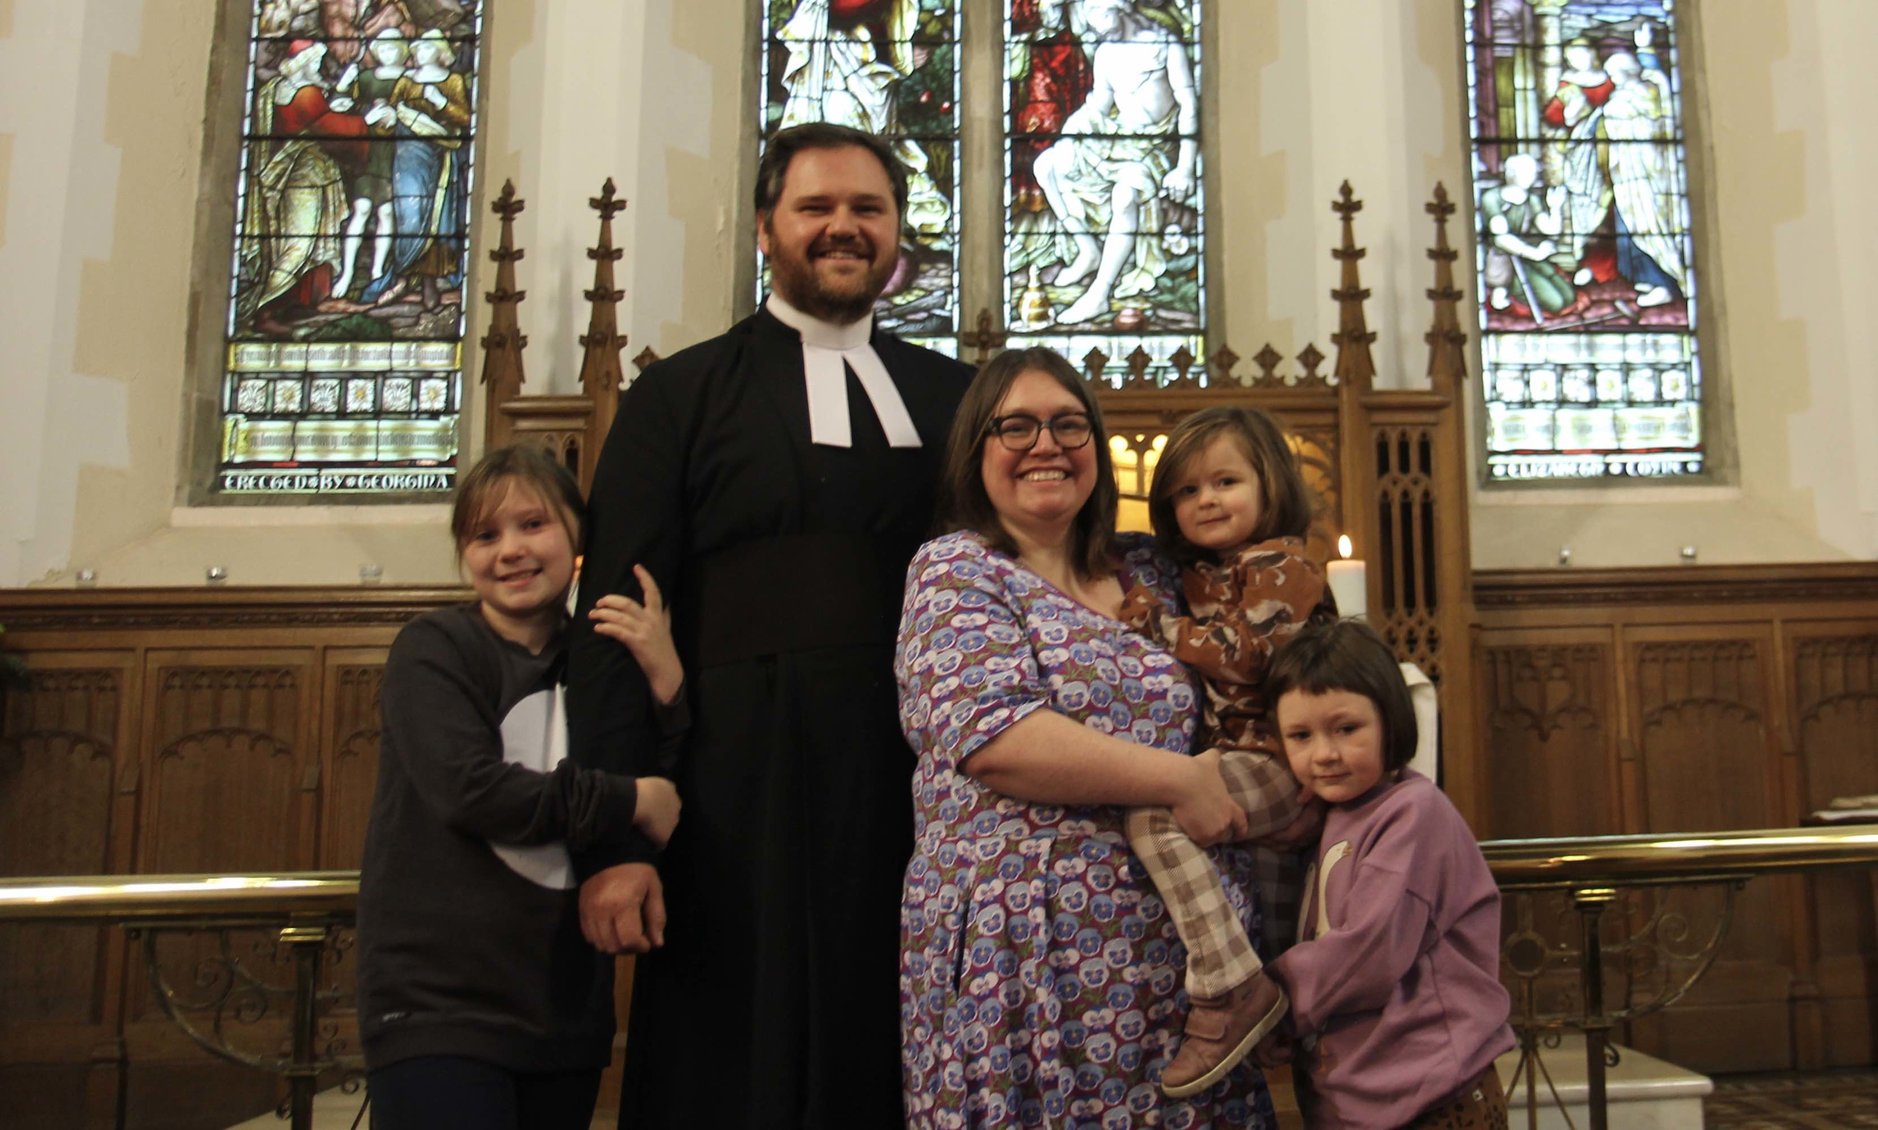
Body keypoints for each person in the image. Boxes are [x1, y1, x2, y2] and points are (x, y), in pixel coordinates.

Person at [565, 122, 974, 1129]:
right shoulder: (681, 394)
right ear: (765, 231)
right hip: (730, 788)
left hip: (915, 785)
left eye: (868, 209)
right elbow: (613, 618)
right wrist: (617, 838)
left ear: (899, 237)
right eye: (816, 207)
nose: (843, 227)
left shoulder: (955, 396)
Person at [897, 347, 1279, 1127]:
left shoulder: (1152, 571)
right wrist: (1177, 781)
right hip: (1030, 955)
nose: (1047, 444)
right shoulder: (957, 571)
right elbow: (996, 738)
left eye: (1069, 425)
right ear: (978, 450)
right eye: (1018, 426)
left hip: (1185, 968)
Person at [357, 444, 687, 1129]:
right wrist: (629, 800)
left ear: (576, 539)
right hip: (439, 1006)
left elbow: (680, 793)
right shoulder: (435, 649)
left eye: (532, 524)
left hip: (562, 1005)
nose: (509, 549)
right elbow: (472, 791)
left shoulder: (599, 658)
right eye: (484, 534)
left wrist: (667, 681)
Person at [1115, 405, 1335, 1098]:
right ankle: (1266, 1012)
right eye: (1185, 490)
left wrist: (1156, 625)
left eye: (1226, 482)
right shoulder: (1202, 570)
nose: (1205, 499)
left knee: (1157, 813)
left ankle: (1226, 986)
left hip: (1277, 759)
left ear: (1270, 483)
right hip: (1238, 760)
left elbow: (1247, 655)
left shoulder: (1283, 561)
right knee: (1271, 916)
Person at [1256, 619, 1514, 1129]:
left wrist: (1263, 1003)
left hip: (1434, 1096)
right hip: (1358, 1096)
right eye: (1300, 736)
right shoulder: (1331, 814)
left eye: (1346, 729)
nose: (1324, 753)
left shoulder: (1412, 813)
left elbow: (1368, 951)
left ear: (1391, 720)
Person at [1032, 0, 1198, 326]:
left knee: (1126, 193)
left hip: (1156, 148)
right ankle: (1088, 251)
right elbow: (1098, 106)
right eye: (1087, 13)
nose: (1092, 22)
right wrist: (1068, 139)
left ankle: (1099, 292)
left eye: (1096, 10)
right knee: (1047, 165)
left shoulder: (1165, 44)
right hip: (1118, 139)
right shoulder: (1106, 52)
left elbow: (1189, 105)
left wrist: (1186, 168)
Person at [357, 28, 471, 310]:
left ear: (441, 52)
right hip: (408, 158)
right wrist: (381, 121)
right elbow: (390, 120)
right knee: (409, 213)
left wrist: (440, 101)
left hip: (440, 156)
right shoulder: (406, 83)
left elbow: (465, 117)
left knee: (437, 216)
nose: (419, 52)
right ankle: (404, 274)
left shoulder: (453, 81)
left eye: (426, 48)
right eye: (417, 49)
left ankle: (429, 281)